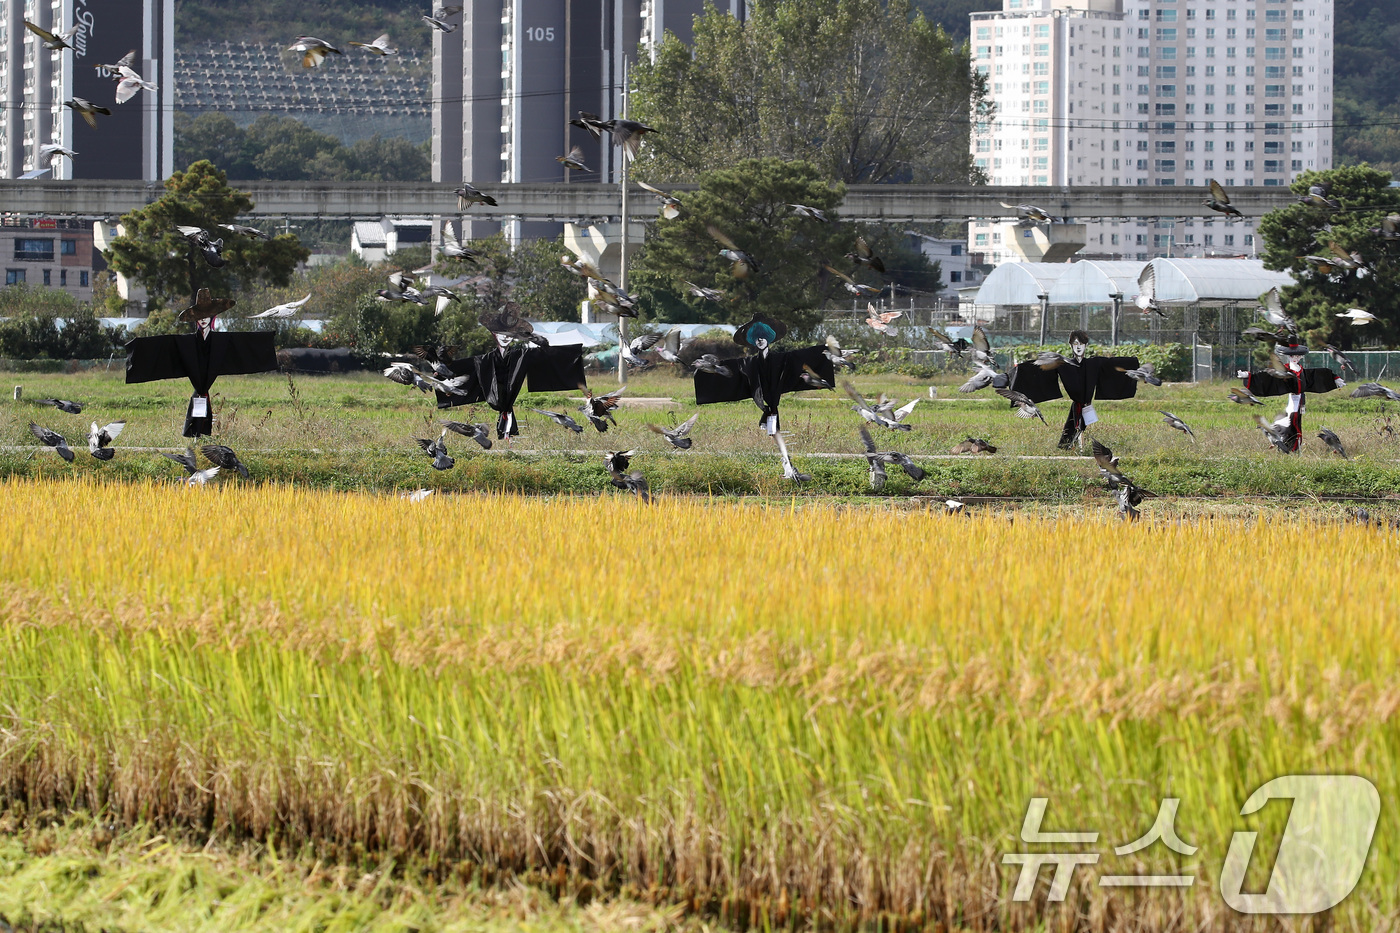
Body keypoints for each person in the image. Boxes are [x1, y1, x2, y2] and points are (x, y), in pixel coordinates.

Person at [125, 288, 278, 437]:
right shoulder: (187, 343)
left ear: (213, 317)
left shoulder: (221, 341)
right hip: (198, 382)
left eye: (208, 315)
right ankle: (197, 429)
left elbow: (245, 344)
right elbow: (163, 347)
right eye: (200, 315)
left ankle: (202, 429)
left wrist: (267, 343)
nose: (204, 318)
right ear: (195, 319)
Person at [433, 308, 586, 438]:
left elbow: (548, 357)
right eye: (501, 334)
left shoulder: (521, 356)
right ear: (494, 335)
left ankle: (508, 432)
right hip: (496, 397)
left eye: (508, 334)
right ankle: (506, 428)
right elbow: (464, 367)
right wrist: (444, 369)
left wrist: (566, 352)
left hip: (509, 395)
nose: (505, 337)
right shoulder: (485, 360)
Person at [693, 313, 835, 434]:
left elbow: (801, 356)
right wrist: (705, 368)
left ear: (768, 337)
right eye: (757, 337)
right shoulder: (749, 363)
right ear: (753, 341)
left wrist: (826, 350)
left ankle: (771, 423)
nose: (760, 339)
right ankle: (769, 423)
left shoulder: (782, 359)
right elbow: (731, 368)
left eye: (762, 336)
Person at [1010, 330, 1144, 449]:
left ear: (1086, 345)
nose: (1078, 347)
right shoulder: (1064, 365)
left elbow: (1113, 364)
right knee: (1075, 423)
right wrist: (1014, 373)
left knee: (1078, 422)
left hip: (1086, 402)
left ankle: (1069, 445)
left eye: (1081, 343)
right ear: (1071, 346)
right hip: (1078, 402)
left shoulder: (1094, 363)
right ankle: (1069, 445)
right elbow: (1036, 368)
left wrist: (1135, 365)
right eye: (1075, 344)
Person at [1237, 343, 1344, 452]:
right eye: (1293, 356)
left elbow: (1315, 376)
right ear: (1288, 356)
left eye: (1298, 356)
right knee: (1291, 420)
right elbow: (1268, 378)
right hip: (1293, 399)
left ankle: (1292, 444)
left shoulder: (1301, 370)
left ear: (1301, 356)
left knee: (1296, 421)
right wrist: (1248, 376)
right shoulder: (1285, 370)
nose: (1295, 358)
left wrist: (1334, 379)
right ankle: (1287, 443)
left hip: (1300, 399)